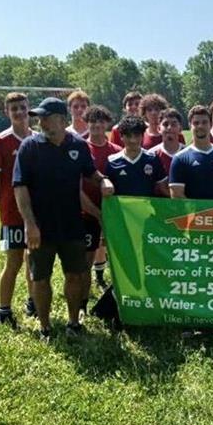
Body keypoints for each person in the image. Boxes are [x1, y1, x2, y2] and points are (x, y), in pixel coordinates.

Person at [13, 97, 113, 341]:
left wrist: (103, 181)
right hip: (41, 227)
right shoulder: (30, 147)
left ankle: (73, 322)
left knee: (76, 275)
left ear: (61, 120)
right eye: (40, 119)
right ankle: (45, 326)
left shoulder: (78, 146)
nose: (42, 123)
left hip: (72, 225)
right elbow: (20, 187)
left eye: (46, 118)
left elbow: (90, 173)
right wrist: (30, 224)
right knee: (41, 278)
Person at [0, 92, 35, 327]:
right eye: (13, 108)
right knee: (13, 262)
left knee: (33, 259)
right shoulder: (0, 141)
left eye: (22, 107)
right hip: (12, 215)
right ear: (7, 112)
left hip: (36, 214)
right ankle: (3, 310)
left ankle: (33, 301)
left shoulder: (37, 138)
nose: (18, 112)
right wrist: (2, 208)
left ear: (29, 109)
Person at [79, 105, 121, 297]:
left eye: (100, 120)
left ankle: (120, 296)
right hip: (86, 213)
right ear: (86, 123)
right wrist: (97, 214)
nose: (96, 124)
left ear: (107, 123)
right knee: (84, 261)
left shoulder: (117, 151)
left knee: (119, 258)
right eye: (92, 121)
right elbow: (76, 188)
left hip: (113, 214)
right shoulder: (79, 149)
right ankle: (83, 300)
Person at [169, 105, 213, 199]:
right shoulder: (180, 158)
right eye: (196, 123)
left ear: (210, 124)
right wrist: (196, 213)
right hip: (192, 213)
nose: (200, 126)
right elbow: (176, 194)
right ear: (190, 125)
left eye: (204, 122)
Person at [105, 115, 169, 196]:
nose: (133, 140)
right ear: (121, 136)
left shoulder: (153, 159)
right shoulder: (112, 162)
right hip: (122, 209)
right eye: (128, 136)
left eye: (137, 135)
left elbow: (163, 187)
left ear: (142, 136)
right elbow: (107, 192)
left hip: (147, 208)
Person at [148, 108, 185, 176]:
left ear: (180, 129)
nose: (169, 127)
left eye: (174, 124)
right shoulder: (151, 155)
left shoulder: (187, 153)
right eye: (165, 124)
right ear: (159, 129)